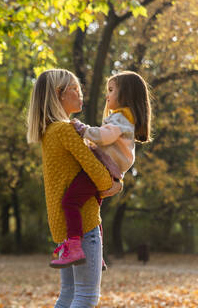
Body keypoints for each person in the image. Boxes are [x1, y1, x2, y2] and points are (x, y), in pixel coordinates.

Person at [26, 69, 121, 307]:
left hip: (66, 230)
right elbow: (99, 177)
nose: (81, 94)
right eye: (75, 89)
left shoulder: (49, 132)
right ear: (59, 94)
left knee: (68, 294)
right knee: (86, 296)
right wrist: (116, 184)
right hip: (84, 225)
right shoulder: (65, 130)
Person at [49, 71, 152, 270]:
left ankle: (74, 246)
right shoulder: (124, 119)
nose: (107, 95)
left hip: (104, 165)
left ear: (126, 95)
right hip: (109, 167)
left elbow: (105, 136)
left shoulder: (120, 119)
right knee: (93, 211)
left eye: (111, 90)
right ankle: (98, 255)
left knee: (70, 202)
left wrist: (83, 129)